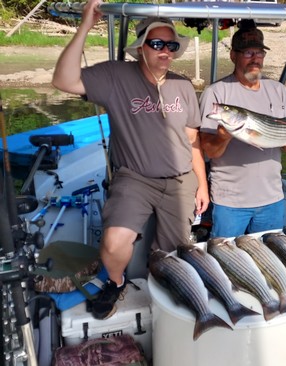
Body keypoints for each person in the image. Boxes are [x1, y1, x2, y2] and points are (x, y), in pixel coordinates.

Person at [52, 0, 209, 320]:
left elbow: (193, 142)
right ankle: (115, 281)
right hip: (134, 178)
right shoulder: (115, 76)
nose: (165, 50)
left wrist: (202, 185)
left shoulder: (183, 85)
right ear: (141, 47)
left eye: (171, 45)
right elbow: (63, 80)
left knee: (173, 255)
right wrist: (85, 25)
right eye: (157, 43)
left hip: (181, 180)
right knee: (113, 241)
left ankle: (163, 296)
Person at [199, 20, 286, 238]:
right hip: (230, 202)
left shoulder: (278, 90)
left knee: (268, 262)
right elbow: (208, 152)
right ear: (233, 55)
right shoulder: (216, 94)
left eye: (259, 53)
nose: (255, 59)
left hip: (272, 199)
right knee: (227, 262)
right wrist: (223, 137)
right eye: (248, 53)